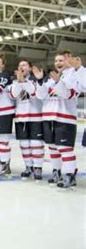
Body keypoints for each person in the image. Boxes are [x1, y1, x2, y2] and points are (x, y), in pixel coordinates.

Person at [34, 52, 78, 188]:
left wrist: (59, 82)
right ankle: (56, 172)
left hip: (65, 118)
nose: (58, 63)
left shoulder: (73, 76)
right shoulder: (51, 79)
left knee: (65, 149)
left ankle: (70, 175)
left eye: (61, 60)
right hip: (48, 117)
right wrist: (40, 81)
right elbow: (40, 96)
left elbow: (68, 94)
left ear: (67, 61)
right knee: (53, 148)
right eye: (56, 61)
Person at [10, 60, 44, 180]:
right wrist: (19, 82)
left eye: (24, 65)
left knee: (36, 143)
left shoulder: (37, 80)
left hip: (36, 116)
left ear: (30, 68)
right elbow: (13, 95)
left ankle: (38, 167)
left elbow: (35, 94)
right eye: (19, 66)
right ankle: (28, 166)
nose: (21, 67)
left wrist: (24, 82)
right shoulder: (15, 82)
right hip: (21, 117)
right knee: (24, 144)